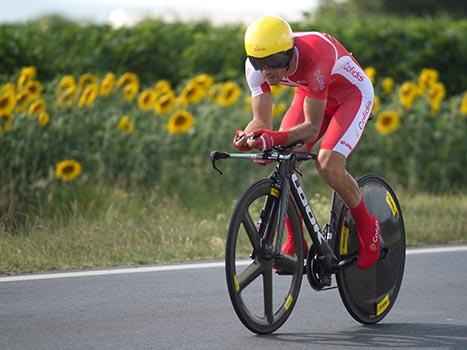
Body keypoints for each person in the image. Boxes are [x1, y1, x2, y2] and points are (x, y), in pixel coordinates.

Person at [233, 15, 380, 270]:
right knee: (283, 155)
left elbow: (310, 128)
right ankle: (296, 239)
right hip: (311, 93)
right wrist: (249, 137)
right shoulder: (255, 69)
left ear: (289, 53)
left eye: (275, 63)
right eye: (259, 63)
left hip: (351, 95)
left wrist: (274, 137)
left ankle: (369, 226)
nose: (267, 70)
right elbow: (260, 120)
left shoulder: (315, 57)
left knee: (328, 164)